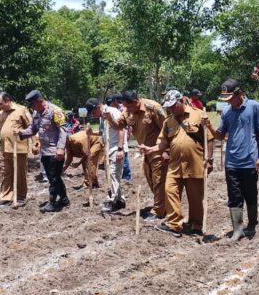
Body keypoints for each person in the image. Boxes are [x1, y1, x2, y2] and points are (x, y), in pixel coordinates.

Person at [203, 79, 259, 240]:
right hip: (231, 161)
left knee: (250, 193)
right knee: (234, 196)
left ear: (239, 93)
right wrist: (209, 126)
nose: (229, 101)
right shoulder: (226, 112)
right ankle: (237, 229)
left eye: (231, 97)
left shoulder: (254, 107)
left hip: (250, 160)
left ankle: (252, 223)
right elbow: (220, 135)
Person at [147, 90, 214, 237]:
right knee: (169, 191)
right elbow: (162, 143)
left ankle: (196, 225)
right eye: (169, 107)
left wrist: (209, 160)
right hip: (174, 165)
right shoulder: (168, 121)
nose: (171, 109)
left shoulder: (199, 115)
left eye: (173, 106)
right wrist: (151, 149)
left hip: (195, 164)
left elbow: (209, 138)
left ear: (181, 101)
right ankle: (174, 224)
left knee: (195, 198)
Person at [18, 90, 69, 212]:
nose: (33, 108)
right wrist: (22, 133)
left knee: (53, 178)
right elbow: (33, 128)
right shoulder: (37, 113)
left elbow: (63, 131)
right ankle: (64, 199)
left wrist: (61, 148)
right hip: (44, 151)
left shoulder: (55, 111)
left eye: (34, 105)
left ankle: (52, 203)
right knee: (55, 177)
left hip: (55, 151)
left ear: (40, 101)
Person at [121, 89, 168, 221]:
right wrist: (108, 118)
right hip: (145, 152)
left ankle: (158, 211)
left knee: (158, 181)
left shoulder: (153, 108)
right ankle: (164, 206)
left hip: (158, 151)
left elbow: (167, 128)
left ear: (135, 102)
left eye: (128, 106)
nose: (127, 110)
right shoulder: (129, 111)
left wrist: (166, 150)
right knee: (152, 181)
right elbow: (120, 124)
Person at [0, 91, 31, 206]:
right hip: (4, 148)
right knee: (6, 173)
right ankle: (6, 196)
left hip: (18, 148)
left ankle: (20, 197)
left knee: (20, 173)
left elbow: (31, 127)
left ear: (8, 101)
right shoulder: (1, 113)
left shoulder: (21, 110)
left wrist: (36, 142)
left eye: (0, 104)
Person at [85, 97, 126, 212]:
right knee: (111, 176)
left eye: (93, 112)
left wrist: (120, 148)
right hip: (108, 148)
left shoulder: (112, 112)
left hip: (116, 148)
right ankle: (119, 200)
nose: (94, 114)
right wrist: (92, 133)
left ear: (98, 107)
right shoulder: (102, 116)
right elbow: (104, 132)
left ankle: (113, 201)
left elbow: (121, 129)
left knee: (113, 174)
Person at [63, 129, 104, 195]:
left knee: (89, 160)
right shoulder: (68, 144)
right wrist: (62, 170)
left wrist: (78, 163)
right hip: (88, 147)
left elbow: (86, 154)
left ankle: (88, 183)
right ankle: (94, 182)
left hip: (97, 141)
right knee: (84, 164)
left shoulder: (78, 140)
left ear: (67, 140)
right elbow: (69, 159)